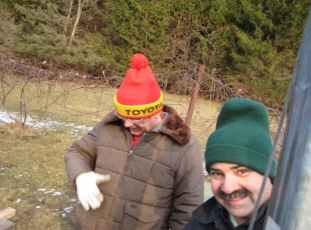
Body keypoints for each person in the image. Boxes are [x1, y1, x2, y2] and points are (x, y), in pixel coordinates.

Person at [65, 53, 204, 230]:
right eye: (124, 116)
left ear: (155, 112)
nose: (127, 124)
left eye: (136, 119)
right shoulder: (110, 126)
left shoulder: (184, 146)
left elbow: (188, 208)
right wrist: (81, 175)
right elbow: (78, 152)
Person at [184, 98, 277, 230]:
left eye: (242, 171)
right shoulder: (199, 224)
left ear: (268, 172)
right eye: (217, 174)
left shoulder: (297, 221)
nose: (227, 188)